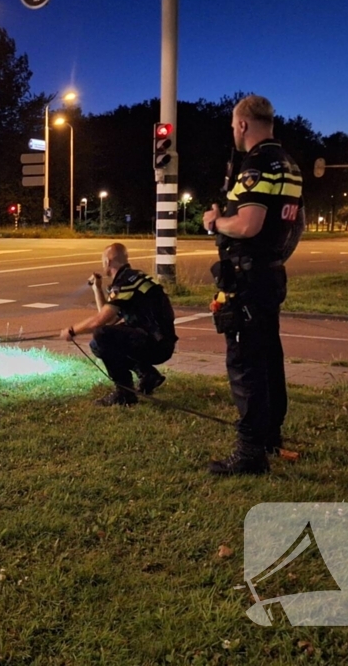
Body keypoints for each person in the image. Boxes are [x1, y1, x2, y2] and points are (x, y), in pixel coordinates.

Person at [202, 95, 304, 476]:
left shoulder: (257, 166)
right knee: (267, 357)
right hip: (270, 273)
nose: (232, 130)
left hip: (248, 277)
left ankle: (249, 453)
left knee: (244, 362)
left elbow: (247, 225)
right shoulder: (289, 165)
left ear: (243, 124)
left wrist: (215, 221)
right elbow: (297, 226)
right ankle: (270, 436)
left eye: (233, 124)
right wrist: (273, 260)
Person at [61, 243, 177, 406]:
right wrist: (97, 289)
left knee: (102, 336)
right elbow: (109, 319)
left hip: (155, 344)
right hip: (160, 341)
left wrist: (72, 331)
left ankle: (124, 393)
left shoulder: (125, 283)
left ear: (108, 262)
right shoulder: (133, 278)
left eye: (103, 261)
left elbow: (100, 322)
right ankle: (148, 375)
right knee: (98, 342)